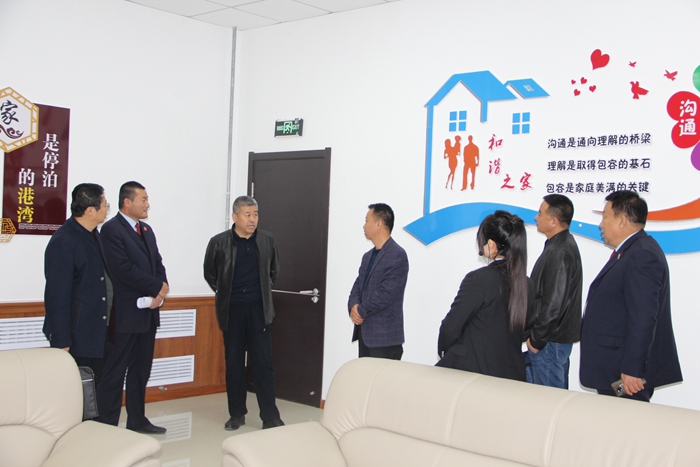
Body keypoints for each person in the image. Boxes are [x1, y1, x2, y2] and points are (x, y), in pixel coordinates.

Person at [580, 190, 682, 402]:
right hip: (613, 367)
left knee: (626, 420)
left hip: (625, 373)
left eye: (605, 217)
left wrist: (633, 369)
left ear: (622, 220)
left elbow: (643, 317)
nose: (601, 224)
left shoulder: (642, 254)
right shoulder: (631, 251)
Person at [203, 196, 284, 431]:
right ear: (235, 216)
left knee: (263, 364)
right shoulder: (219, 242)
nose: (252, 219)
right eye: (247, 215)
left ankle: (270, 416)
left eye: (255, 214)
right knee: (235, 365)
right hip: (232, 311)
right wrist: (228, 292)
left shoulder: (267, 240)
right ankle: (237, 414)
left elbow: (273, 271)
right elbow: (210, 274)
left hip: (259, 311)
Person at [97, 181, 169, 434]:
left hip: (148, 314)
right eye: (144, 199)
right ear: (127, 202)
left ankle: (137, 419)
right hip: (125, 315)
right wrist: (157, 287)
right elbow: (122, 269)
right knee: (115, 372)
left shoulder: (146, 230)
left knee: (141, 371)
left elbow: (157, 263)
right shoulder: (111, 230)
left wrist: (162, 288)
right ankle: (106, 425)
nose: (148, 204)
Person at [437, 210, 534, 381]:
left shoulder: (479, 279)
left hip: (474, 375)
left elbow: (451, 327)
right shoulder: (527, 283)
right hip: (511, 375)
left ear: (491, 244)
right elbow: (525, 331)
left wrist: (446, 350)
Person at [43, 183, 112, 383]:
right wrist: (61, 340)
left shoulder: (94, 235)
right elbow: (57, 295)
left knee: (91, 389)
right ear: (90, 211)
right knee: (72, 390)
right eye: (105, 205)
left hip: (96, 330)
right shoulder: (64, 241)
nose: (107, 209)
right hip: (76, 335)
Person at [525, 194, 583, 389]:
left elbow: (554, 304)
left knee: (549, 400)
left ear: (553, 221)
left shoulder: (560, 251)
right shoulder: (558, 245)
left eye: (540, 213)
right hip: (551, 340)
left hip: (549, 341)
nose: (536, 217)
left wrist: (537, 340)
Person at [348, 203, 409, 360]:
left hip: (385, 339)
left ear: (379, 224)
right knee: (365, 376)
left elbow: (386, 293)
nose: (364, 225)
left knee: (384, 377)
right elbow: (358, 285)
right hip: (365, 335)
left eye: (367, 220)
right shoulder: (367, 256)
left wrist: (360, 311)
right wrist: (353, 305)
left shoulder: (397, 255)